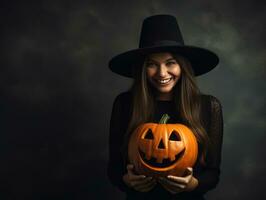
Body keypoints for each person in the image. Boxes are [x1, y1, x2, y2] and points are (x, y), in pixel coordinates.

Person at [107, 14, 224, 200]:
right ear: (142, 69)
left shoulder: (209, 106)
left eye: (171, 63)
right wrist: (126, 181)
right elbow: (113, 167)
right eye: (152, 64)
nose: (162, 73)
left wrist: (194, 184)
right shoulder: (125, 104)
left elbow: (213, 172)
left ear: (182, 66)